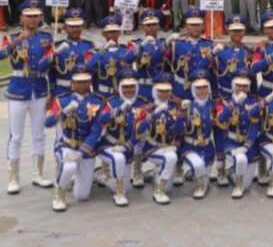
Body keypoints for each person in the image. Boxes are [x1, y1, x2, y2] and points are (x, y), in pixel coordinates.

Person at [2, 0, 54, 193]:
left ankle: (38, 173)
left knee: (39, 134)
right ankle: (13, 177)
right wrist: (18, 40)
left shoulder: (47, 38)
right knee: (16, 136)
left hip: (39, 88)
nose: (32, 20)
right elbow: (0, 55)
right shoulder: (12, 36)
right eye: (28, 16)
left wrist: (54, 92)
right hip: (18, 88)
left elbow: (52, 65)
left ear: (40, 17)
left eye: (36, 16)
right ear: (21, 17)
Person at [44, 65, 102, 212]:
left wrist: (82, 152)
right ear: (72, 82)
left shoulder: (98, 102)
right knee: (69, 165)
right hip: (67, 144)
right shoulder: (62, 100)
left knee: (82, 196)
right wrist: (62, 112)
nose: (82, 85)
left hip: (86, 149)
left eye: (85, 81)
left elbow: (96, 131)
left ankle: (80, 178)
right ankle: (59, 193)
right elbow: (48, 123)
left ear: (90, 82)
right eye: (78, 81)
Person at [96, 69, 147, 205]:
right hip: (109, 145)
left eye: (132, 86)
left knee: (127, 186)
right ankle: (118, 194)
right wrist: (117, 110)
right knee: (118, 160)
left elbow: (141, 130)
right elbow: (101, 119)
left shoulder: (142, 104)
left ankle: (106, 178)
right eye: (125, 87)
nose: (128, 90)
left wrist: (127, 146)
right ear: (119, 87)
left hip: (128, 148)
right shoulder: (111, 103)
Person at [137, 72, 185, 205]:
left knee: (170, 185)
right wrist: (149, 117)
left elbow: (179, 131)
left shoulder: (175, 108)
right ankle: (159, 191)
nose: (164, 94)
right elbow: (138, 130)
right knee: (171, 157)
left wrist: (181, 115)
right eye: (161, 91)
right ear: (155, 91)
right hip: (153, 148)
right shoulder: (148, 107)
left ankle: (158, 173)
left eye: (167, 91)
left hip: (169, 146)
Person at [217, 71, 261, 199]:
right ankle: (238, 187)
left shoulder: (253, 102)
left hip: (249, 145)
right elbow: (223, 118)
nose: (241, 88)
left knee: (248, 184)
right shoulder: (226, 101)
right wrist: (234, 103)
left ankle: (233, 173)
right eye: (238, 85)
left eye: (244, 86)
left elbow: (255, 127)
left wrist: (247, 146)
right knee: (241, 159)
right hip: (232, 142)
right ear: (233, 85)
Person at [179, 70, 217, 199]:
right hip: (190, 147)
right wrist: (183, 113)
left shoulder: (212, 105)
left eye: (205, 88)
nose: (202, 91)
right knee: (198, 167)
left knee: (205, 177)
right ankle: (199, 184)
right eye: (198, 88)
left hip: (207, 148)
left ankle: (198, 177)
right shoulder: (188, 105)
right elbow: (179, 129)